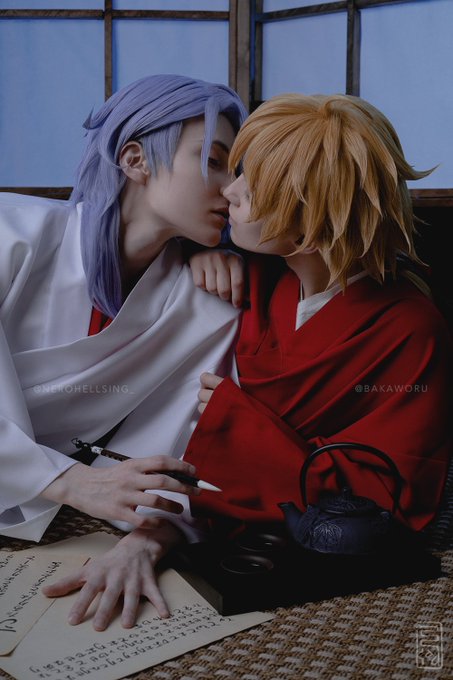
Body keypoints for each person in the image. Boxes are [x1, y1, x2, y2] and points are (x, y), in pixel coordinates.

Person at [0, 74, 247, 627]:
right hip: (48, 487)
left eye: (237, 173)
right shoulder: (10, 232)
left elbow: (177, 444)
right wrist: (68, 481)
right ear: (135, 160)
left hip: (48, 504)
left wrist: (149, 538)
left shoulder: (205, 302)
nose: (232, 189)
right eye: (213, 162)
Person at [187, 93, 452, 533]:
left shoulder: (411, 330)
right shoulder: (255, 275)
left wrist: (239, 424)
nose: (228, 191)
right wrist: (202, 251)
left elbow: (384, 492)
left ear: (308, 234)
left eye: (249, 192)